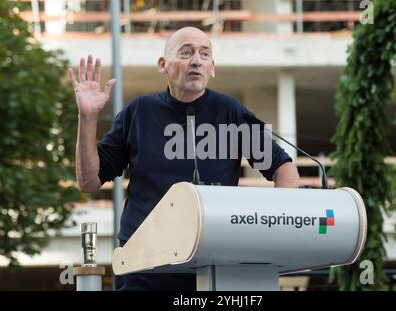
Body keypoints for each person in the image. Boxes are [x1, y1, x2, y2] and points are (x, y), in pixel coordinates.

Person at [68, 26, 300, 291]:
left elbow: (285, 169)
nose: (196, 61)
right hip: (145, 265)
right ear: (162, 65)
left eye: (204, 54)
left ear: (212, 67)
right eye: (186, 52)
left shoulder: (230, 112)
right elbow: (89, 181)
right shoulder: (139, 112)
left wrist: (279, 227)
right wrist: (87, 118)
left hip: (212, 262)